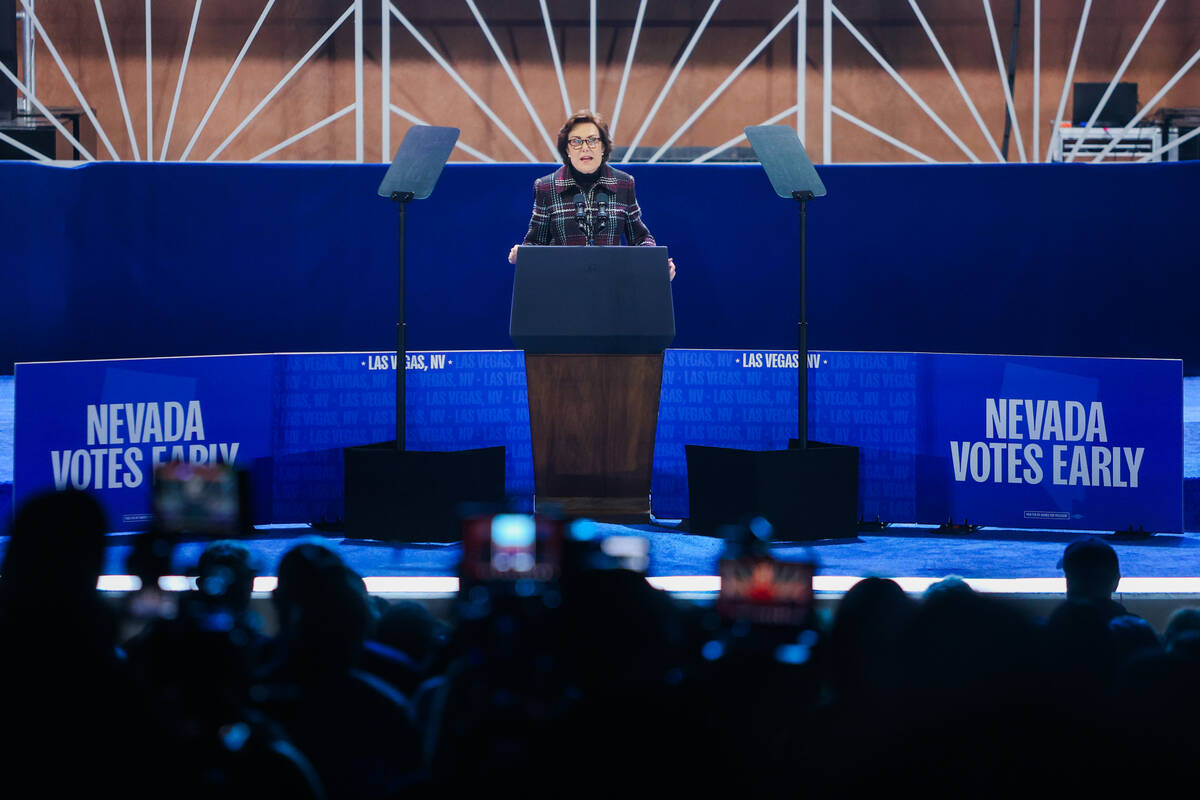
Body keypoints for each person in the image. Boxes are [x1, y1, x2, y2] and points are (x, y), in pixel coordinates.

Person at [508, 109, 676, 280]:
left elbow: (640, 237)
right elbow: (536, 242)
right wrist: (522, 254)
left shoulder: (623, 184)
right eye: (576, 141)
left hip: (611, 286)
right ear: (567, 149)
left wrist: (655, 263)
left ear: (603, 147)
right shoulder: (546, 187)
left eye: (592, 140)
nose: (585, 147)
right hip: (562, 286)